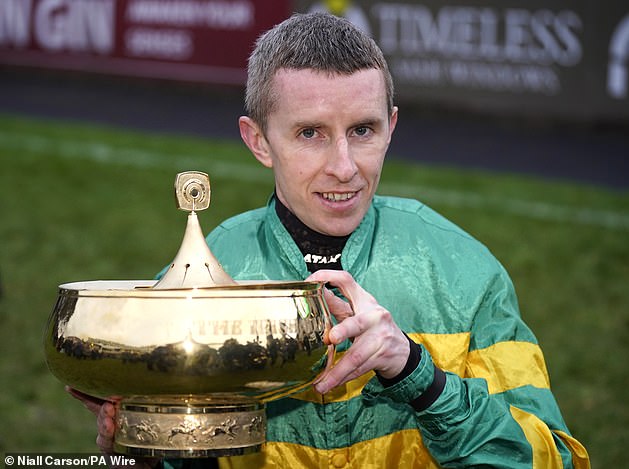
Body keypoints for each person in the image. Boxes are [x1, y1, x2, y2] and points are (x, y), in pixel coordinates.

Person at [69, 12, 590, 468]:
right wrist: (137, 449)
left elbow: (554, 459)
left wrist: (417, 372)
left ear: (391, 127)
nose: (344, 168)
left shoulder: (464, 271)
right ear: (258, 141)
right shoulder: (201, 279)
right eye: (310, 133)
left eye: (363, 130)